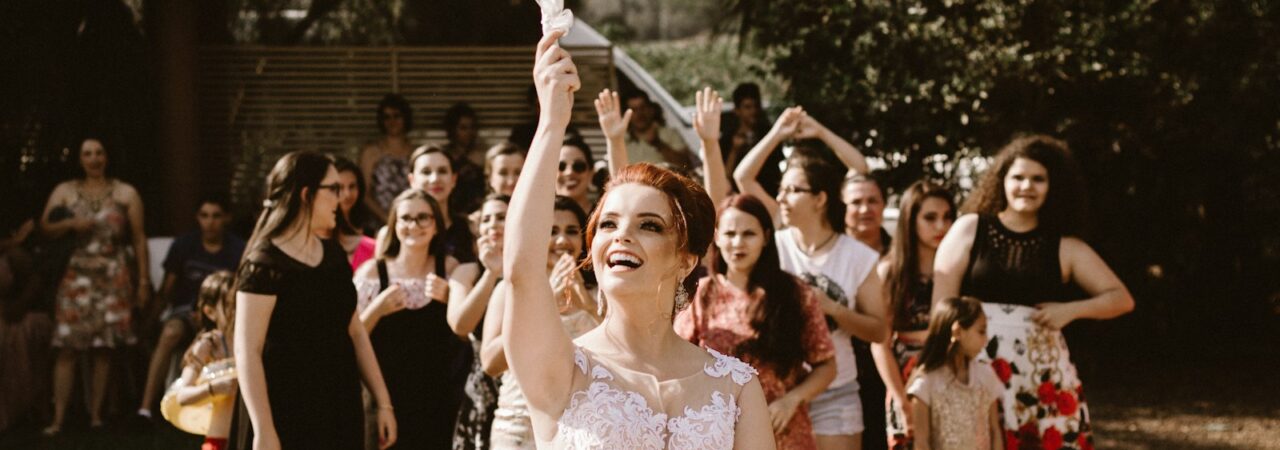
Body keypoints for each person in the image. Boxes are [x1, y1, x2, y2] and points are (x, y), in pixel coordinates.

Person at [500, 31, 774, 448]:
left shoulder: (735, 386)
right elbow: (522, 271)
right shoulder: (562, 368)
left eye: (649, 225)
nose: (622, 236)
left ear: (686, 259)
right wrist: (551, 124)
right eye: (607, 224)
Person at [932, 135, 1134, 449]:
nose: (1027, 186)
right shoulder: (970, 229)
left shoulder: (1066, 247)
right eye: (1018, 177)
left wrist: (1071, 310)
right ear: (1002, 181)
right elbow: (942, 307)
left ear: (1054, 186)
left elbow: (1120, 298)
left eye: (1038, 179)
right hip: (976, 366)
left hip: (1041, 377)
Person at [734, 107, 888, 450]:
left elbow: (879, 330)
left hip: (838, 392)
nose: (780, 198)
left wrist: (833, 308)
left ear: (819, 199)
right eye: (781, 189)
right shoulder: (776, 240)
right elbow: (743, 178)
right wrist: (777, 132)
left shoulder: (857, 256)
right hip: (777, 391)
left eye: (792, 190)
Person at [234, 151, 396, 450]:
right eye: (334, 188)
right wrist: (264, 430)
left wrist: (383, 403)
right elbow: (248, 351)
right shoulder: (265, 263)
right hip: (284, 409)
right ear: (306, 194)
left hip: (338, 404)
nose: (343, 197)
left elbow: (355, 331)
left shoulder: (333, 255)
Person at [675, 194, 837, 449]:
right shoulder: (700, 295)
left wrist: (791, 400)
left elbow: (826, 366)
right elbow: (677, 363)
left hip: (784, 432)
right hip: (718, 432)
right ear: (716, 237)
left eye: (749, 234)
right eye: (730, 234)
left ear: (766, 236)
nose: (738, 243)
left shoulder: (795, 293)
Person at [41, 137, 150, 435]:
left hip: (113, 275)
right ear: (79, 159)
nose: (94, 158)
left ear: (107, 156)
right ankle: (58, 419)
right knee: (66, 347)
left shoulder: (126, 193)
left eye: (99, 152)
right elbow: (45, 227)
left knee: (104, 348)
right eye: (87, 153)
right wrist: (69, 225)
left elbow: (139, 238)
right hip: (76, 276)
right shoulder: (64, 191)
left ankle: (96, 416)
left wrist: (142, 281)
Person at [354, 189, 477, 449]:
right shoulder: (373, 273)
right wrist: (377, 309)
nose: (414, 225)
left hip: (440, 402)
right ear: (394, 225)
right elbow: (351, 337)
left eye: (423, 218)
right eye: (406, 218)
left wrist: (450, 301)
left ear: (436, 225)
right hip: (386, 400)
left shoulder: (452, 268)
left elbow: (469, 331)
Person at [484, 195, 600, 449]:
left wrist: (589, 307)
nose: (562, 240)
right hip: (519, 427)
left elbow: (627, 354)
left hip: (585, 430)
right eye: (552, 231)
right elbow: (491, 363)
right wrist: (544, 307)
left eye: (571, 231)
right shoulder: (510, 289)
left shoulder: (600, 293)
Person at [138, 193, 245, 423]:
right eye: (204, 216)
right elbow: (167, 290)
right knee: (170, 333)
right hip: (186, 311)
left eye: (216, 216)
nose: (210, 222)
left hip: (226, 316)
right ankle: (146, 408)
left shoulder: (238, 249)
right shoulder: (184, 245)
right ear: (197, 218)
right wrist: (150, 322)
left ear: (226, 218)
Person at [871, 181, 955, 449]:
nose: (941, 226)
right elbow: (879, 343)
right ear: (911, 220)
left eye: (947, 217)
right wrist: (899, 397)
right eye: (930, 217)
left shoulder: (959, 268)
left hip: (953, 370)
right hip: (907, 376)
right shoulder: (890, 272)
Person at [906, 296, 1003, 450]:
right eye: (981, 331)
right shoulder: (925, 383)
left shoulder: (985, 376)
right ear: (957, 331)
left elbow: (995, 430)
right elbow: (921, 442)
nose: (986, 340)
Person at [452, 194, 509, 450]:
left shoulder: (534, 269)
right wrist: (491, 273)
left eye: (501, 217)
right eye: (487, 219)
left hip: (523, 383)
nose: (493, 224)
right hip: (482, 387)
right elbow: (461, 326)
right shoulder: (465, 272)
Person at [169, 271, 239, 450]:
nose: (238, 311)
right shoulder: (208, 345)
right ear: (210, 312)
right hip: (220, 440)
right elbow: (182, 396)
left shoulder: (252, 342)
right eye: (231, 306)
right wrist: (213, 388)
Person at [0, 215, 53, 433]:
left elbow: (35, 286)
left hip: (21, 314)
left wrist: (16, 309)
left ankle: (19, 410)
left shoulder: (17, 257)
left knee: (14, 338)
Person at [407, 145, 479, 264]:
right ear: (412, 180)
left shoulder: (471, 229)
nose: (435, 179)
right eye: (426, 172)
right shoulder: (397, 230)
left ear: (454, 179)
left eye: (442, 171)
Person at [361, 94, 415, 224]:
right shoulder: (371, 153)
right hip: (379, 222)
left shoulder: (414, 153)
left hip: (411, 221)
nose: (392, 121)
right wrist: (386, 218)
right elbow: (364, 193)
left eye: (397, 116)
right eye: (387, 117)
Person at [719, 83, 781, 197]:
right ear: (737, 110)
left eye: (755, 106)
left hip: (767, 195)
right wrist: (735, 150)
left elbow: (776, 171)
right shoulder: (727, 139)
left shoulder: (768, 135)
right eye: (747, 107)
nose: (753, 111)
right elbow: (722, 178)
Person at [618, 90, 693, 168]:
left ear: (651, 109)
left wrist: (657, 143)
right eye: (634, 109)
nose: (639, 114)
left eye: (642, 107)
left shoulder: (670, 134)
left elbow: (686, 165)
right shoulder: (621, 141)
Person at [332, 157, 378, 269]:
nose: (347, 194)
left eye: (352, 186)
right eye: (340, 187)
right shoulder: (324, 229)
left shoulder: (370, 228)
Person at [442, 102, 488, 214]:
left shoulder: (482, 156)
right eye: (463, 128)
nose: (469, 132)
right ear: (452, 130)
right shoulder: (444, 156)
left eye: (472, 127)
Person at [844, 173, 892, 255]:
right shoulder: (825, 254)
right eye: (856, 202)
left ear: (884, 205)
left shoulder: (903, 254)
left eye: (872, 201)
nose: (865, 210)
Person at [555, 133, 597, 215]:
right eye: (561, 166)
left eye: (578, 166)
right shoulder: (540, 216)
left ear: (591, 173)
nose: (569, 172)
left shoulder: (602, 216)